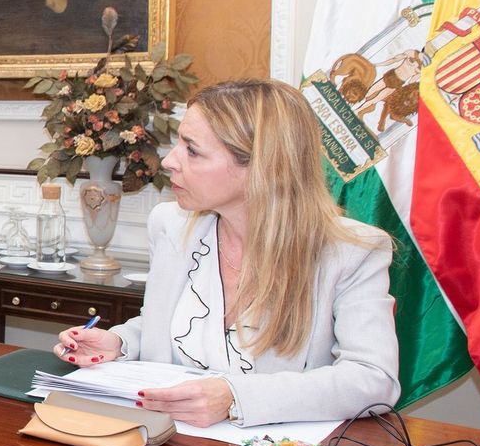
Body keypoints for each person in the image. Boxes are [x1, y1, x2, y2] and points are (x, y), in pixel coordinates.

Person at [52, 79, 400, 427]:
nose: (170, 161)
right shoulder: (170, 225)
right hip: (164, 441)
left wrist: (235, 396)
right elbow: (171, 326)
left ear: (262, 167)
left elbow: (372, 380)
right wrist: (119, 342)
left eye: (192, 150)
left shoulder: (351, 252)